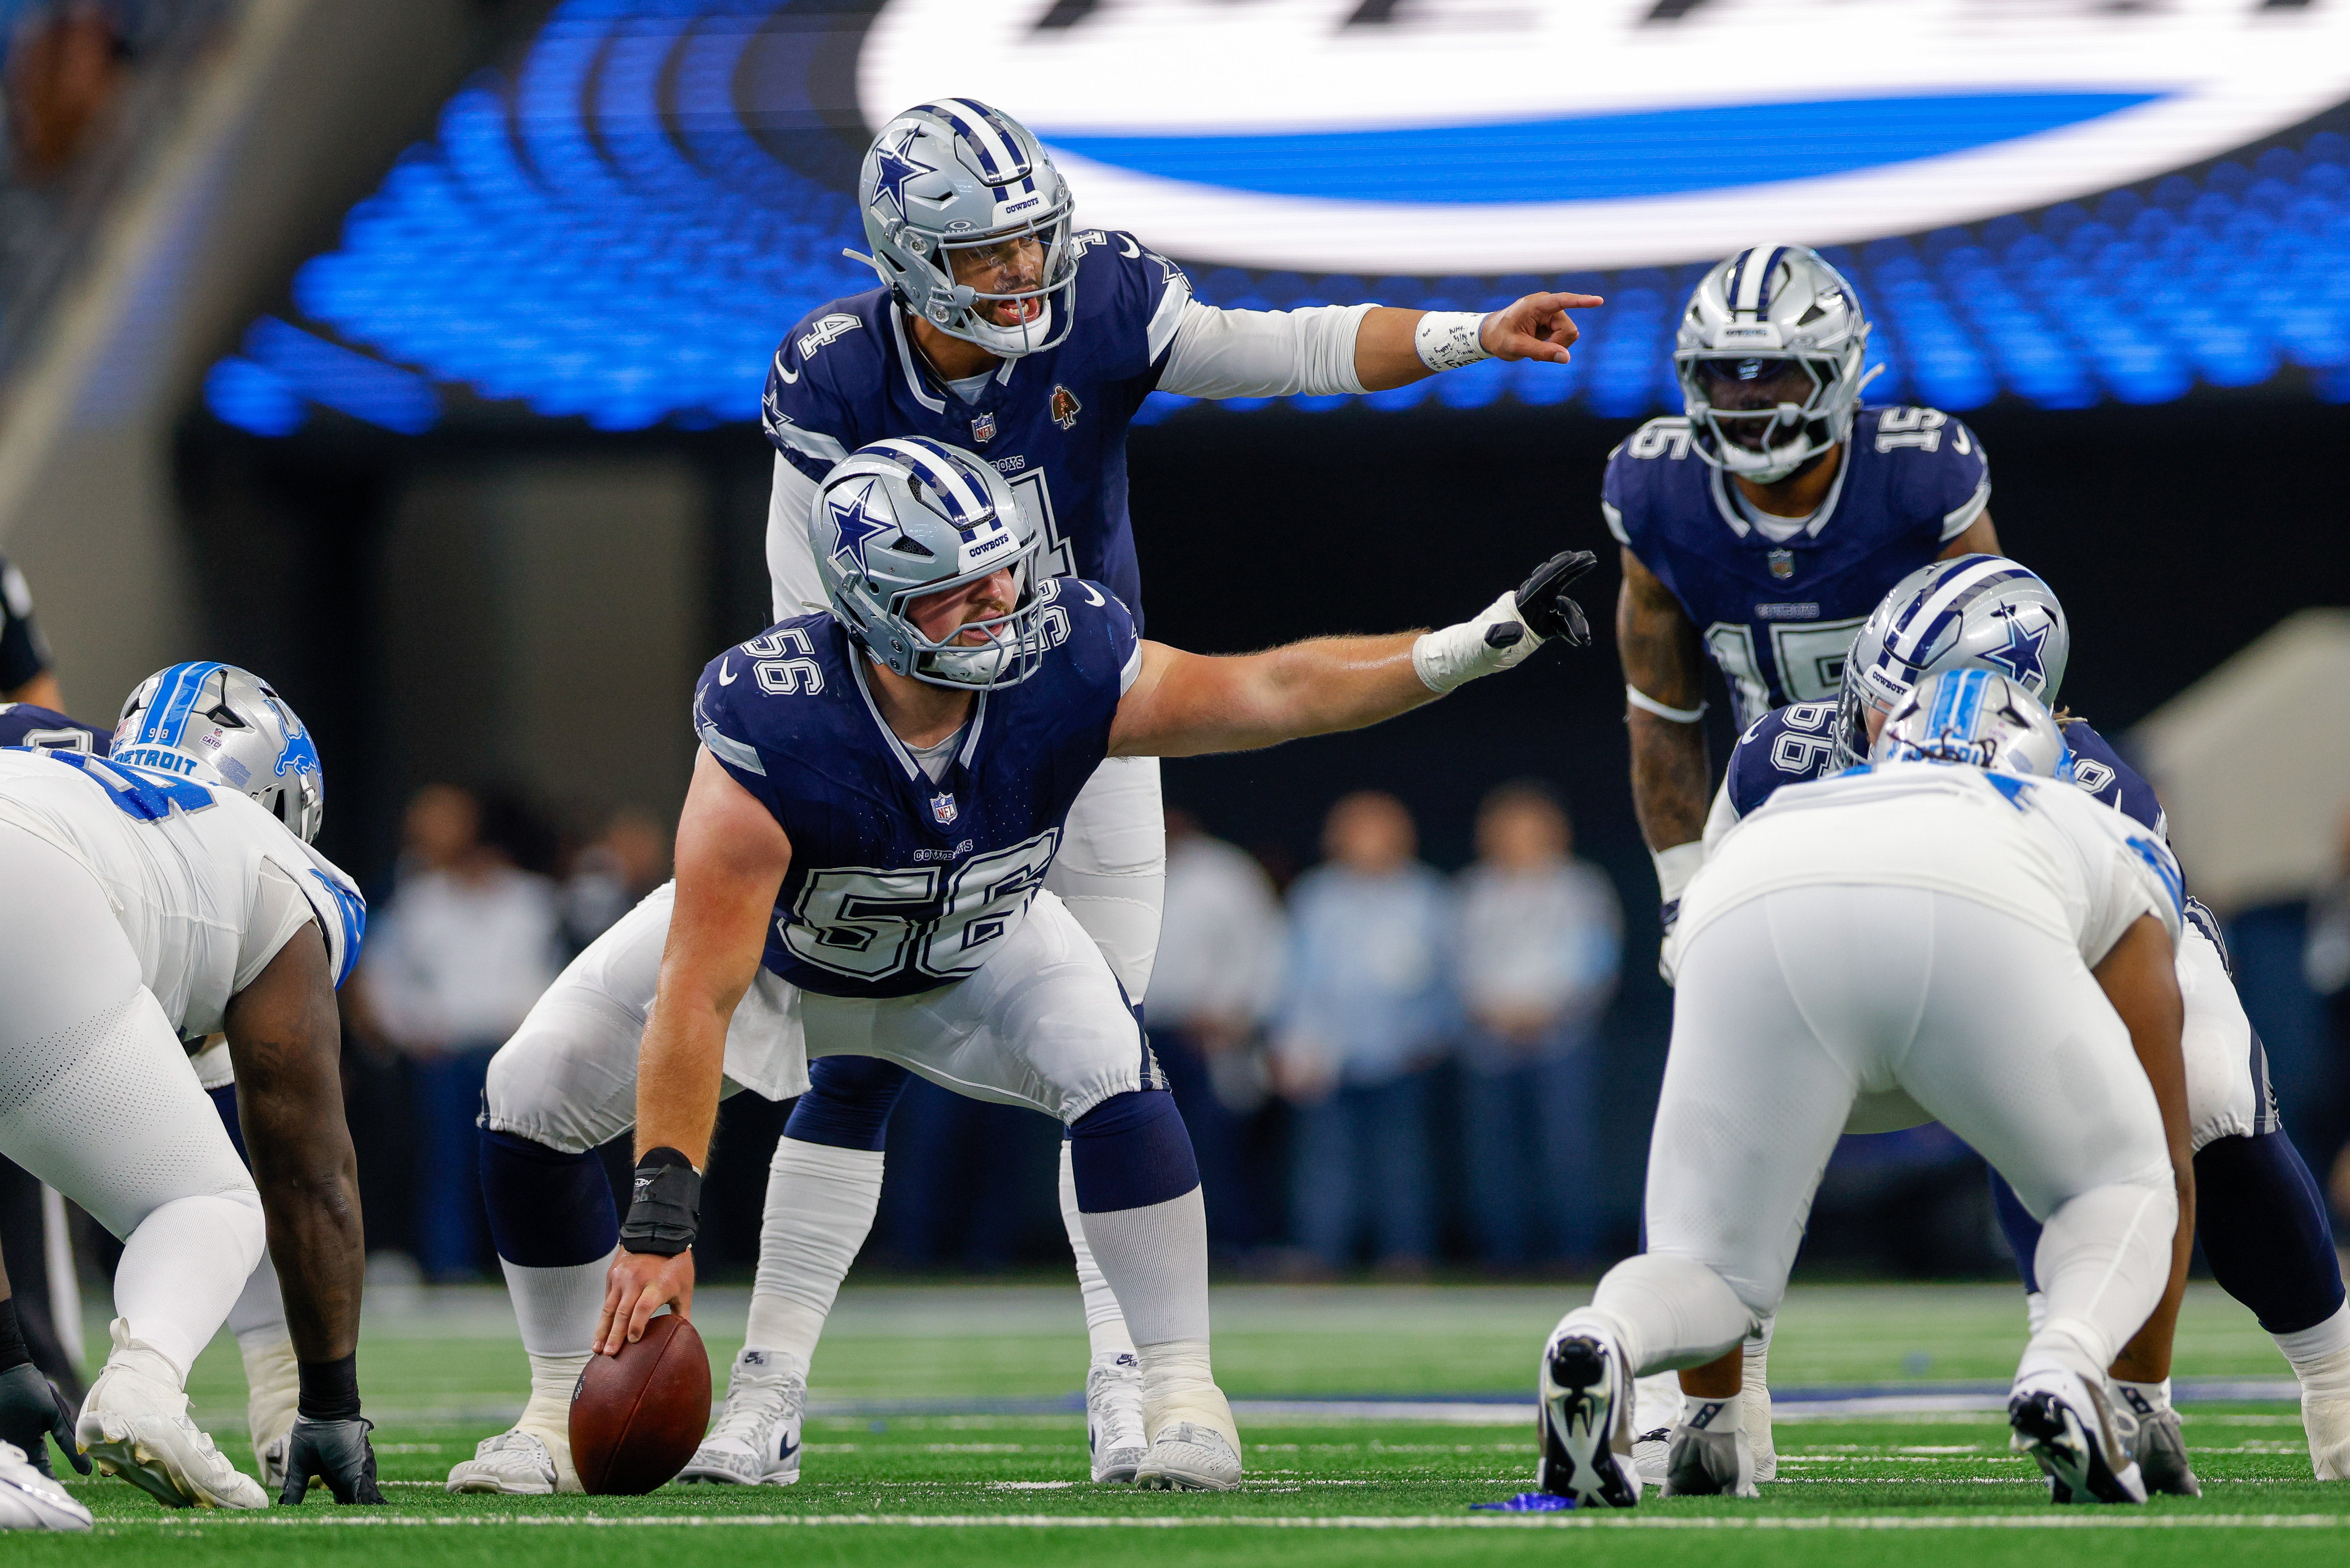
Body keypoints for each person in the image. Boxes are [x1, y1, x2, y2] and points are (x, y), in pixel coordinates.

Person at [451, 94, 1606, 1494]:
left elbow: (1279, 409)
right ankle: (698, 1399)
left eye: (1029, 244)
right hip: (882, 743)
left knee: (1103, 1060)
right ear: (906, 257)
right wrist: (877, 760)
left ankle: (1143, 1385)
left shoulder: (1079, 545)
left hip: (1063, 722)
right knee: (840, 1058)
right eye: (986, 254)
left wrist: (1464, 347)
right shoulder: (826, 408)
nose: (1023, 277)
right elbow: (823, 629)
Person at [1696, 556, 2350, 1488]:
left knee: (2205, 1104)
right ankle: (1716, 1395)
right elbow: (1719, 958)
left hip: (2060, 973)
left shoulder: (2085, 787)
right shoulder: (1777, 758)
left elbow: (2106, 1068)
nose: (1878, 727)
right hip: (1851, 985)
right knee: (1728, 1103)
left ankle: (2310, 1375)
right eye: (1876, 693)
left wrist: (2141, 1380)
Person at [1542, 671, 2192, 1508]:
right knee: (2123, 1185)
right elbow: (2166, 1142)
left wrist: (1712, 1419)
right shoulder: (2082, 817)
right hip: (1978, 911)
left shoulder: (1795, 801)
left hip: (1750, 897)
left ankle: (1604, 1334)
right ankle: (2065, 1367)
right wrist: (2142, 1399)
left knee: (1704, 1262)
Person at [0, 663, 380, 1508]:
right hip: (29, 884)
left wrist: (2, 1353)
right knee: (213, 1200)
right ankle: (142, 1385)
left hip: (30, 858)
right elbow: (308, 1169)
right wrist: (330, 1403)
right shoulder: (278, 863)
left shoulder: (55, 764)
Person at [1610, 244, 1998, 956]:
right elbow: (1663, 713)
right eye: (1724, 374)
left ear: (1840, 370)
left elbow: (1996, 679)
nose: (1748, 398)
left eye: (1775, 371)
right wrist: (1682, 890)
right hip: (1771, 817)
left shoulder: (1918, 477)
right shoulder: (1656, 492)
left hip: (1928, 815)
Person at [361, 784, 564, 1282]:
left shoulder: (531, 902)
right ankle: (450, 1266)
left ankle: (528, 1268)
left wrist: (537, 1027)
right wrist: (411, 1029)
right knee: (447, 1163)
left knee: (524, 1162)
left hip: (515, 1049)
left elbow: (558, 974)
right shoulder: (420, 901)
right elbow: (385, 977)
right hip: (445, 1054)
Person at [1274, 792, 1455, 1278]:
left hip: (1402, 1054)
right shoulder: (1316, 897)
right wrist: (1292, 1044)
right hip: (1328, 1057)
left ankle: (1406, 1257)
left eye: (1379, 830)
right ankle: (1318, 1254)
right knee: (1323, 1163)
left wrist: (1434, 1035)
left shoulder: (1427, 896)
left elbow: (1447, 977)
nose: (1369, 842)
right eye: (1357, 831)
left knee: (1404, 1162)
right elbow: (1294, 978)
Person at [1454, 783, 1621, 1271]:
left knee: (1566, 1151)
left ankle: (1573, 1255)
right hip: (1490, 1044)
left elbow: (1596, 960)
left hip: (1561, 1040)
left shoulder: (1580, 887)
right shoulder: (1474, 891)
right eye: (1508, 829)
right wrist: (1494, 1010)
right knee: (1494, 1158)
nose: (1519, 839)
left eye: (1530, 829)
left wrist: (1545, 1009)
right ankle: (1501, 1257)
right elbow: (1459, 965)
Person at [1147, 809, 1285, 1260]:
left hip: (1208, 1035)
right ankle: (1157, 1254)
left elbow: (1262, 951)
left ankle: (1233, 1246)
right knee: (1145, 1150)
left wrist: (1234, 1013)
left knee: (1215, 1147)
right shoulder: (1116, 866)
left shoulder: (1225, 874)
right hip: (1137, 1033)